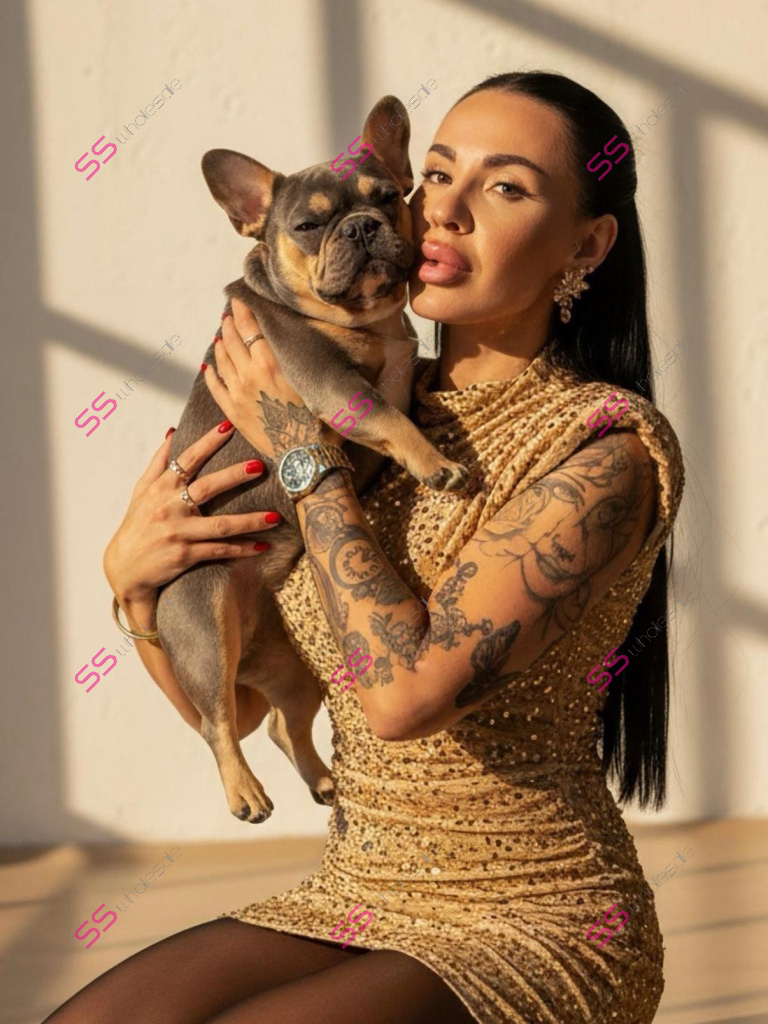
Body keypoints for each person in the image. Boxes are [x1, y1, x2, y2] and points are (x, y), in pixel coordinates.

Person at [45, 70, 683, 1024]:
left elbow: (399, 700)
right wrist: (135, 593)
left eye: (506, 187)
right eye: (438, 175)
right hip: (355, 893)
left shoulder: (601, 451)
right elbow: (237, 707)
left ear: (587, 244)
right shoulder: (373, 404)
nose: (448, 211)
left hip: (536, 920)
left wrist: (305, 450)